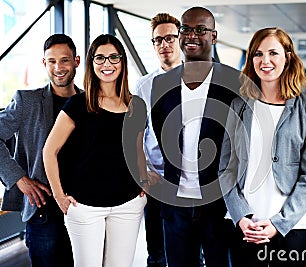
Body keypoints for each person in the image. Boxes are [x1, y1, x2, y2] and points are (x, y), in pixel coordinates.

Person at [218, 27, 306, 267]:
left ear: (287, 57)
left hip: (293, 226)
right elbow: (226, 168)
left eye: (273, 53)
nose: (265, 61)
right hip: (246, 225)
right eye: (257, 54)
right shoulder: (238, 105)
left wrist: (279, 223)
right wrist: (241, 216)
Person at [42, 34, 148, 267]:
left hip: (128, 205)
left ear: (122, 61)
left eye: (113, 57)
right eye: (100, 58)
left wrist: (143, 179)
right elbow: (49, 151)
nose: (107, 64)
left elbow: (137, 148)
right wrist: (59, 196)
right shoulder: (78, 104)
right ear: (91, 63)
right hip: (85, 207)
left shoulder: (137, 106)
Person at [151, 6, 241, 267]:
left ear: (213, 36)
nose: (191, 35)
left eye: (200, 30)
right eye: (186, 29)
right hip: (175, 204)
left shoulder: (235, 82)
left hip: (219, 204)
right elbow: (161, 133)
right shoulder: (161, 84)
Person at [0, 33, 80, 267]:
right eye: (52, 61)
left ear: (76, 61)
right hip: (44, 214)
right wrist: (19, 179)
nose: (59, 67)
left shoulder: (90, 102)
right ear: (45, 64)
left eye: (64, 60)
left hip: (85, 212)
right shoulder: (27, 102)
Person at [132, 12, 181, 267]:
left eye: (170, 38)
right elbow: (137, 135)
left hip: (191, 183)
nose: (164, 44)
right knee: (157, 253)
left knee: (190, 252)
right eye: (158, 40)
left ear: (181, 39)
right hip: (157, 181)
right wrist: (144, 173)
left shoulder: (200, 81)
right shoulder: (143, 86)